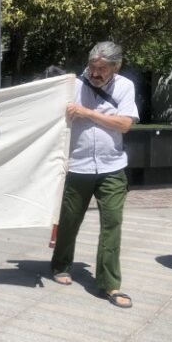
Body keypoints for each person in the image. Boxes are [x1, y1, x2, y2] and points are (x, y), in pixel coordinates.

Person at [50, 41, 139, 309]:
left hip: (112, 167)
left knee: (112, 223)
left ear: (116, 67)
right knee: (69, 219)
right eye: (92, 67)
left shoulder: (125, 87)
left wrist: (87, 113)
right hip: (78, 166)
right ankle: (61, 264)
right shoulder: (74, 85)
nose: (95, 73)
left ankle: (110, 283)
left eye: (102, 69)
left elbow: (124, 124)